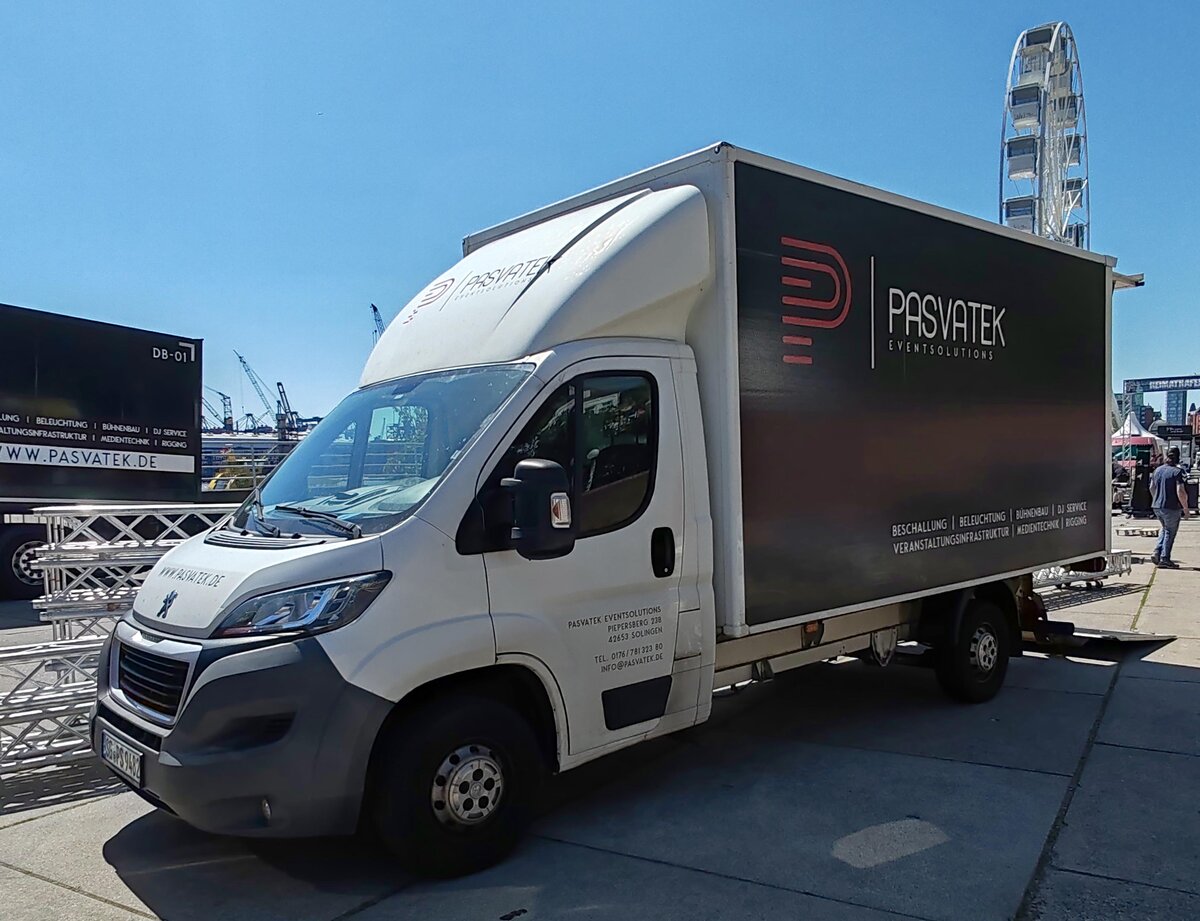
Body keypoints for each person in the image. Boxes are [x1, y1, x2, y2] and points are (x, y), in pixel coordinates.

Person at [1149, 446, 1190, 568]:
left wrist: (1156, 499)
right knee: (1170, 532)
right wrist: (1186, 509)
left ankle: (1157, 551)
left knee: (1165, 529)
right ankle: (1165, 558)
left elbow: (1152, 487)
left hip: (1157, 506)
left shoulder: (1158, 470)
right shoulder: (1178, 472)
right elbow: (1180, 491)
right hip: (1171, 507)